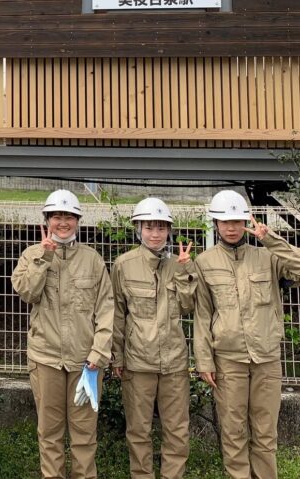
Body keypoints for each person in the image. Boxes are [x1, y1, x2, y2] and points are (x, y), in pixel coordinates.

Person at [194, 190, 300, 479]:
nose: (232, 227)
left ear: (246, 221)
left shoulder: (267, 257)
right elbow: (202, 314)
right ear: (215, 224)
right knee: (233, 429)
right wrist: (204, 361)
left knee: (265, 430)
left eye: (237, 220)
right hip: (228, 359)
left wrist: (270, 239)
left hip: (266, 357)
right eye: (225, 222)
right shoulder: (205, 262)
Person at [11, 190, 113, 479]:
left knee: (84, 432)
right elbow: (28, 293)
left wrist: (99, 353)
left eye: (69, 216)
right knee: (50, 431)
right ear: (47, 220)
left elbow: (107, 309)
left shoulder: (92, 260)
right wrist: (45, 257)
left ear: (78, 221)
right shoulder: (31, 255)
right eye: (57, 216)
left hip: (86, 362)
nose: (63, 222)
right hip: (46, 359)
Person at [111, 197, 196, 479]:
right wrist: (117, 355)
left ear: (169, 231)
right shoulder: (124, 264)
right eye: (149, 227)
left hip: (174, 362)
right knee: (138, 429)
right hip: (138, 362)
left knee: (177, 429)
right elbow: (117, 313)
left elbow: (188, 307)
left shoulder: (181, 264)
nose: (155, 234)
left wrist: (185, 272)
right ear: (139, 229)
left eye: (161, 227)